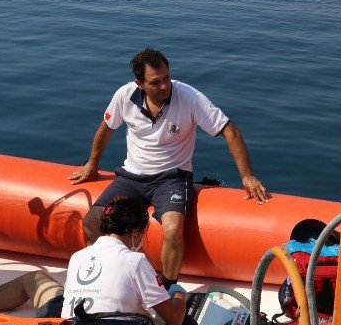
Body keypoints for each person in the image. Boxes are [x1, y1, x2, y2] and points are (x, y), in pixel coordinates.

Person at [69, 48, 270, 290]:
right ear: (139, 84)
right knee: (92, 221)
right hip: (132, 177)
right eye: (156, 82)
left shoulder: (189, 97)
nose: (165, 86)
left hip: (172, 178)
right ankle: (104, 278)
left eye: (166, 78)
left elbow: (230, 130)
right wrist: (92, 164)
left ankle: (166, 288)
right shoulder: (125, 95)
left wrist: (246, 176)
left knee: (173, 230)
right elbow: (107, 126)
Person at [0, 196, 198, 325]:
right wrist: (178, 295)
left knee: (33, 279)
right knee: (186, 324)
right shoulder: (135, 262)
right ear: (137, 233)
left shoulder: (79, 256)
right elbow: (172, 319)